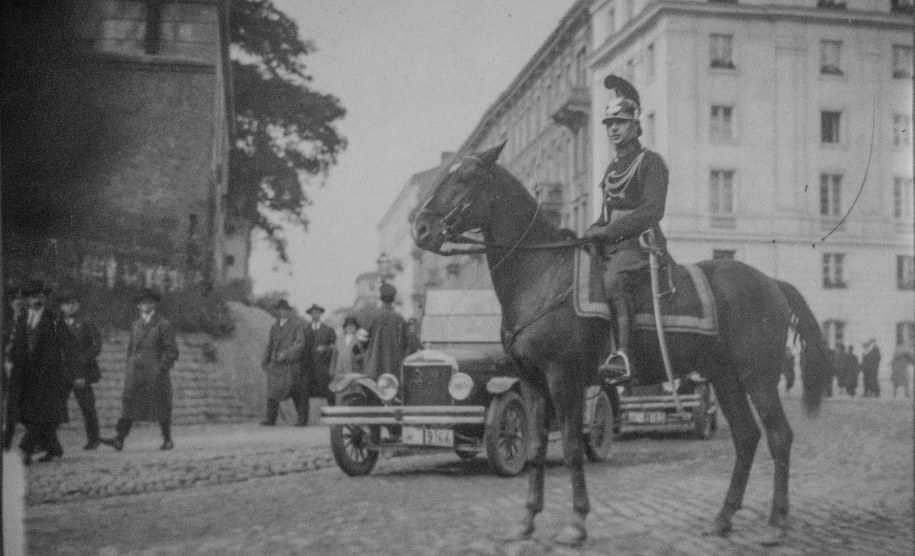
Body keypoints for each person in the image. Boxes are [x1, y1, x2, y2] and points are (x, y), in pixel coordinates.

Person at [583, 74, 668, 382]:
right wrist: (590, 232)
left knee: (614, 280)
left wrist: (608, 232)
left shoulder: (651, 162)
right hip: (613, 244)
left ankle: (624, 356)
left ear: (635, 124)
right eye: (609, 123)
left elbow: (652, 210)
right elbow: (605, 216)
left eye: (619, 122)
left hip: (640, 245)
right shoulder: (612, 169)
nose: (613, 129)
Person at [100, 289, 179, 451]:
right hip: (136, 374)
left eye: (149, 302)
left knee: (161, 406)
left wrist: (161, 368)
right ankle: (119, 439)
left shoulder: (163, 324)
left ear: (154, 304)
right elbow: (131, 349)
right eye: (143, 303)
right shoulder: (135, 325)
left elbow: (172, 351)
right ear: (138, 306)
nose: (146, 305)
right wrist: (130, 367)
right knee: (130, 405)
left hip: (155, 374)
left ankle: (168, 439)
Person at [5, 280, 69, 463]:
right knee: (25, 415)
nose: (37, 299)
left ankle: (25, 451)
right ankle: (54, 448)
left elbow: (68, 345)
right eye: (33, 296)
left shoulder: (54, 319)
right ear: (27, 299)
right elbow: (17, 346)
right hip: (23, 376)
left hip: (46, 377)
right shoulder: (21, 318)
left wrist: (67, 372)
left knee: (39, 416)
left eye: (40, 295)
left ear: (45, 298)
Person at [57, 291, 102, 450]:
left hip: (82, 371)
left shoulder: (86, 322)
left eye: (74, 303)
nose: (71, 306)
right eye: (67, 303)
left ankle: (94, 439)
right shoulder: (56, 324)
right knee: (54, 406)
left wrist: (82, 362)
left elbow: (96, 346)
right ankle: (46, 440)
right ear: (61, 306)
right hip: (62, 371)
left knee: (87, 407)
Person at [259, 299, 307, 426]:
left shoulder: (296, 325)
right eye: (280, 310)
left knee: (295, 391)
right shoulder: (274, 326)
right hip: (276, 365)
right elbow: (270, 345)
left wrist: (285, 354)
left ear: (289, 311)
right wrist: (265, 360)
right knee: (272, 391)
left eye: (285, 310)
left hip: (290, 364)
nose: (282, 312)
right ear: (278, 311)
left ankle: (302, 419)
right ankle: (270, 419)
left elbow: (299, 344)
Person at [363, 283, 407, 379]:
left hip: (374, 365)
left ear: (381, 298)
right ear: (393, 299)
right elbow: (404, 343)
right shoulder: (399, 318)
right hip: (394, 365)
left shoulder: (373, 315)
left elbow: (363, 340)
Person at [303, 303, 336, 414]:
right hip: (308, 367)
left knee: (329, 392)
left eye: (317, 312)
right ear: (310, 314)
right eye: (312, 313)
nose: (315, 315)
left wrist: (325, 348)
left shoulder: (328, 330)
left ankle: (335, 415)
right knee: (304, 393)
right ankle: (302, 420)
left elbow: (335, 347)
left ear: (321, 314)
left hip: (323, 367)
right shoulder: (304, 330)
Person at [329, 316, 366, 383]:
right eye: (348, 326)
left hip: (353, 369)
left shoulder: (360, 339)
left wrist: (356, 358)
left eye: (352, 325)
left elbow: (364, 354)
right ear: (345, 328)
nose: (350, 327)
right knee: (340, 389)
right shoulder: (339, 339)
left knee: (353, 388)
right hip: (339, 369)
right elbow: (334, 356)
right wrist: (332, 369)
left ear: (356, 327)